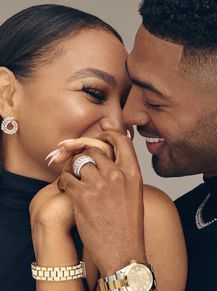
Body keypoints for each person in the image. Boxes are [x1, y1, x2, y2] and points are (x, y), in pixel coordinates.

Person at [0, 4, 187, 291]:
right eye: (94, 93)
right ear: (7, 96)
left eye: (123, 102)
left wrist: (52, 232)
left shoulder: (145, 214)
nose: (118, 124)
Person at [55, 0, 217, 290]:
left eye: (154, 101)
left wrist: (123, 259)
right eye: (131, 86)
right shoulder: (186, 213)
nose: (127, 116)